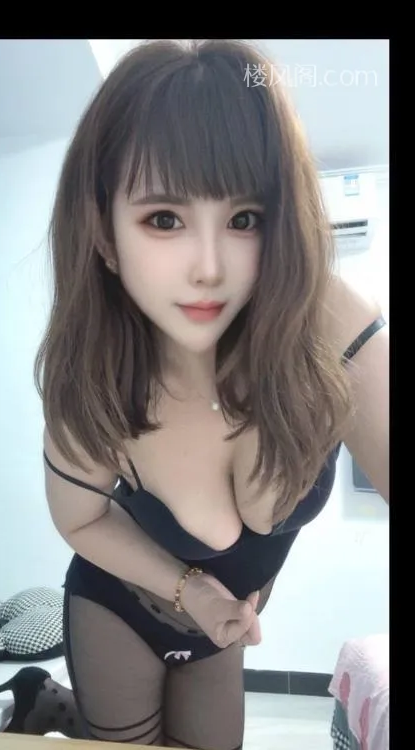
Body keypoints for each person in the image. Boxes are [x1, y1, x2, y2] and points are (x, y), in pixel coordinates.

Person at [33, 39, 389, 749]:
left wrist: (209, 605)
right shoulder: (91, 384)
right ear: (104, 235)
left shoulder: (327, 326)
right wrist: (187, 588)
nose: (209, 268)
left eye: (244, 218)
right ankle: (47, 703)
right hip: (120, 608)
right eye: (164, 219)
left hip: (224, 627)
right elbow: (80, 520)